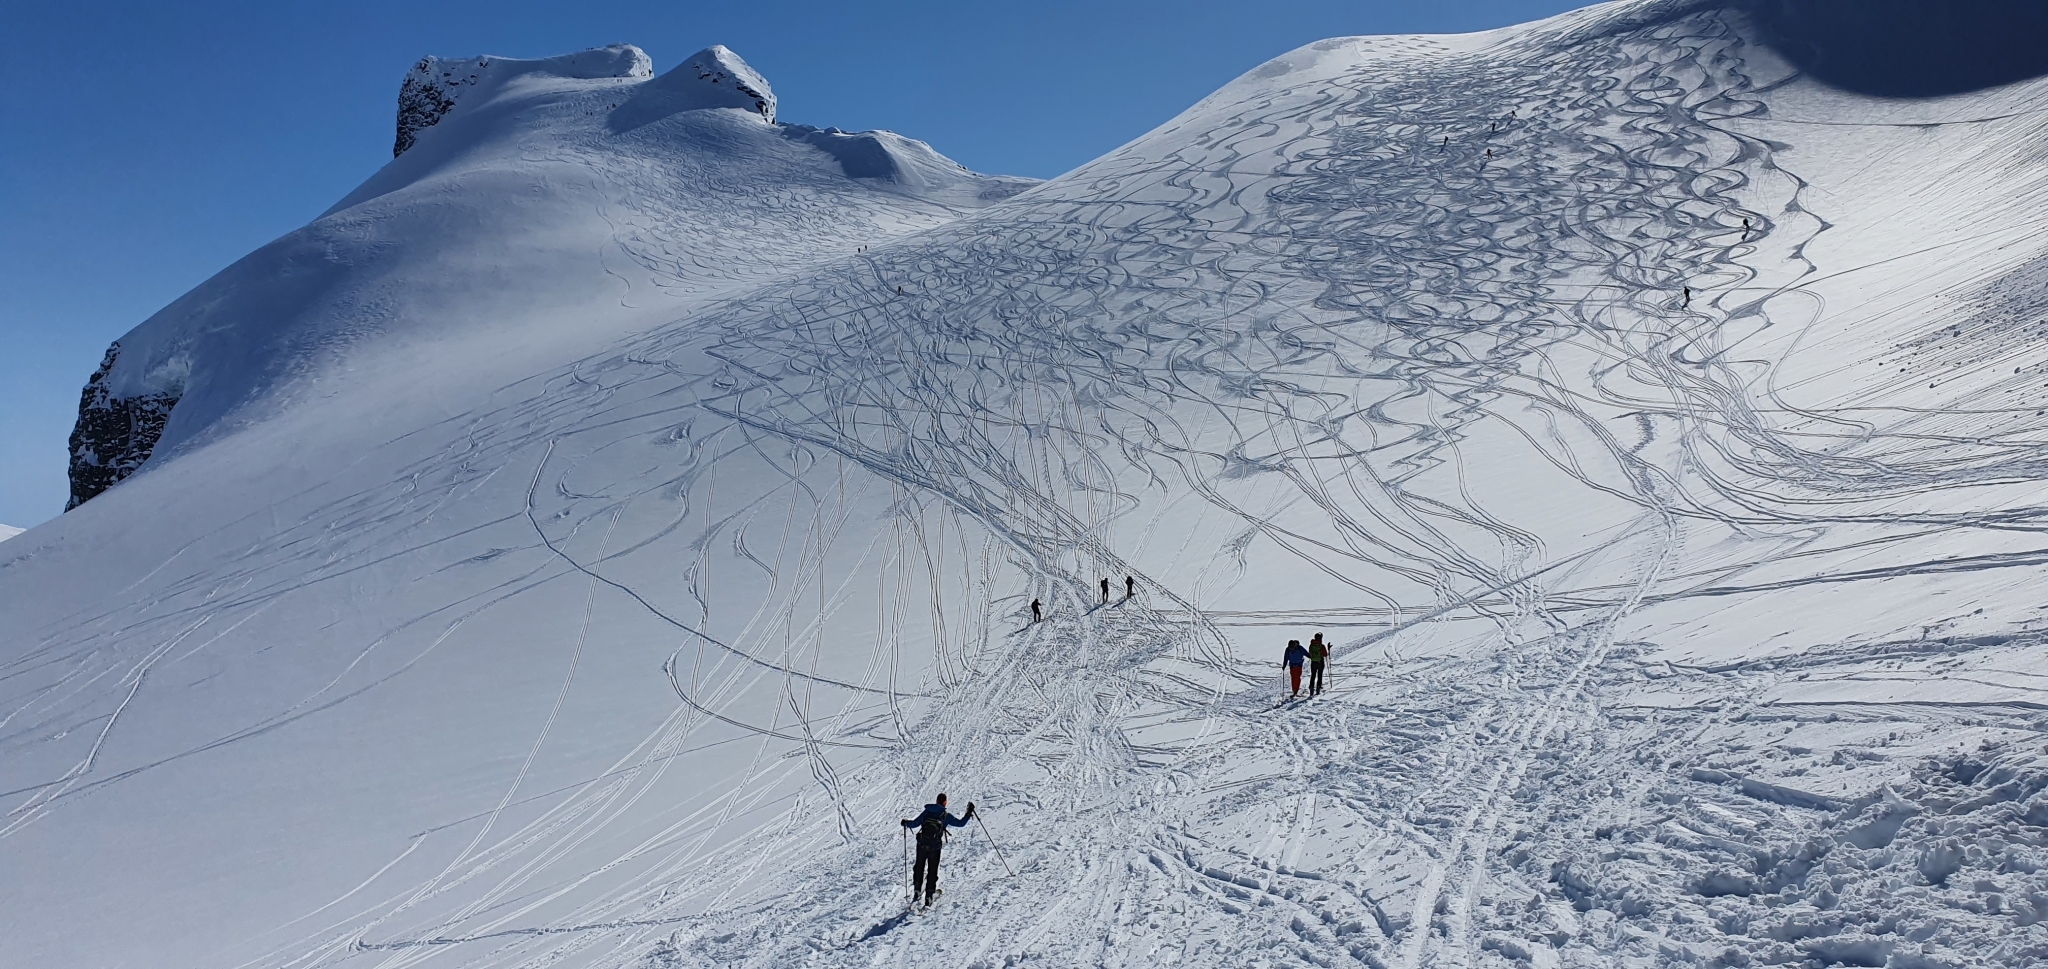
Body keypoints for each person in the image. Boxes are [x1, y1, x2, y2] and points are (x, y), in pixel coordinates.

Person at [901, 793, 974, 907]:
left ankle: (917, 889)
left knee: (919, 866)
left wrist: (905, 823)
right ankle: (929, 896)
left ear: (936, 801)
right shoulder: (945, 815)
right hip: (935, 847)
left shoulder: (927, 812)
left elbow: (915, 823)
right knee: (932, 870)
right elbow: (960, 824)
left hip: (921, 844)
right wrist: (969, 813)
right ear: (945, 803)